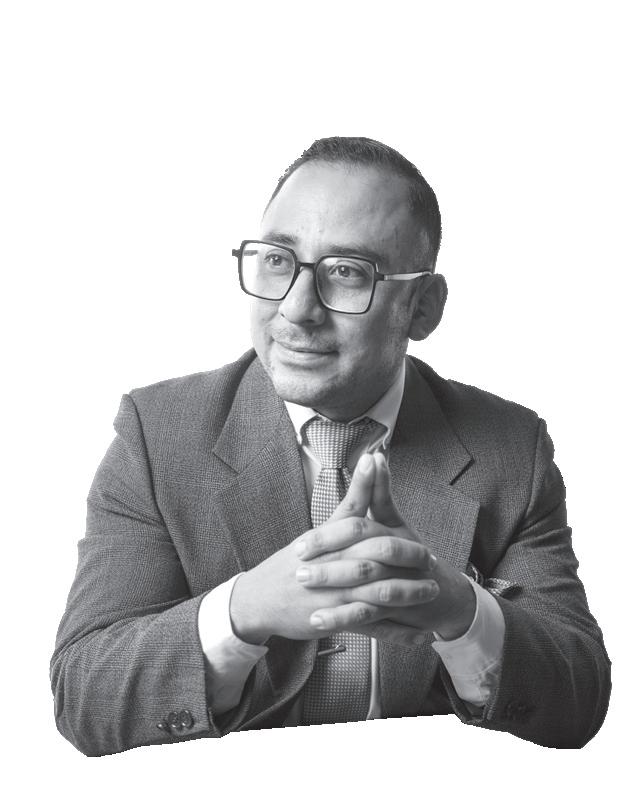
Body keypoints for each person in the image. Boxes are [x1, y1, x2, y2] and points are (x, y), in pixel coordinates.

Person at [50, 136, 611, 756]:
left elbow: (578, 702)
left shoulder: (511, 447)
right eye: (276, 260)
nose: (296, 309)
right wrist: (244, 610)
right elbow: (84, 696)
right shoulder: (157, 435)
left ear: (423, 307)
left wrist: (460, 610)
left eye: (347, 272)